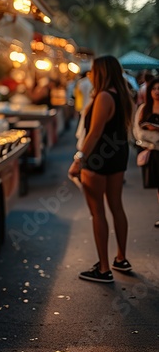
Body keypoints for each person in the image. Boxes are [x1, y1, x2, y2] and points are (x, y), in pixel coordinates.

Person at [68, 55, 134, 283]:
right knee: (116, 205)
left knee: (97, 211)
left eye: (93, 71)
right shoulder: (122, 94)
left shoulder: (104, 96)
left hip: (98, 158)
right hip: (117, 155)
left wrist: (79, 159)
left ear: (102, 73)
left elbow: (94, 132)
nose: (90, 74)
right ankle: (121, 258)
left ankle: (104, 268)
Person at [133, 76, 159, 227]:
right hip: (152, 151)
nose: (157, 92)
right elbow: (137, 130)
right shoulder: (144, 109)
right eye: (154, 89)